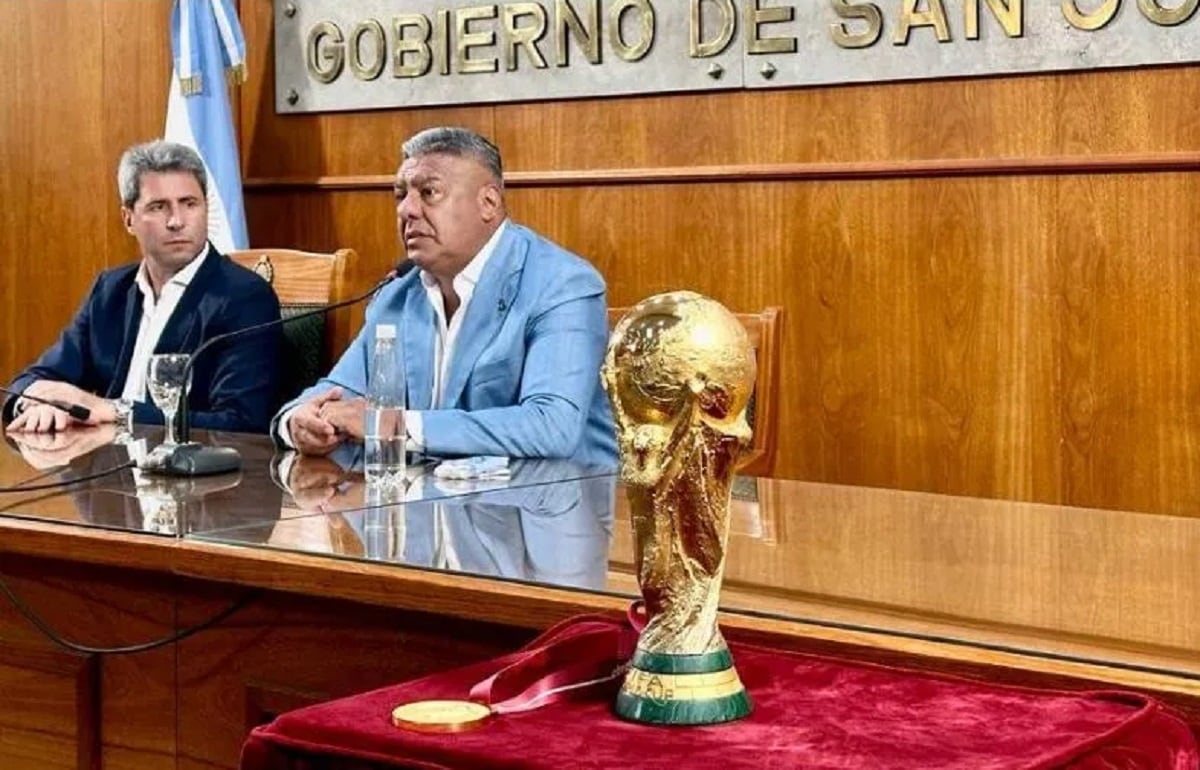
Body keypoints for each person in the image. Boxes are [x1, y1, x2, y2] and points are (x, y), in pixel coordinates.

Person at [273, 127, 616, 467]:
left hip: (552, 507)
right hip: (432, 507)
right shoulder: (397, 295)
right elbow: (338, 390)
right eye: (400, 195)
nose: (407, 210)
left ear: (489, 202)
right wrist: (299, 421)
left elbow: (550, 425)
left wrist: (396, 425)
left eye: (429, 192)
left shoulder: (562, 285)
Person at [3, 140, 282, 434]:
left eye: (189, 204)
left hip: (191, 473)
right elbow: (36, 378)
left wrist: (113, 411)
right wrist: (36, 404)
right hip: (102, 465)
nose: (177, 221)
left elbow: (241, 422)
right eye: (159, 207)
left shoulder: (244, 297)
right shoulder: (110, 290)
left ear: (205, 208)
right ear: (128, 219)